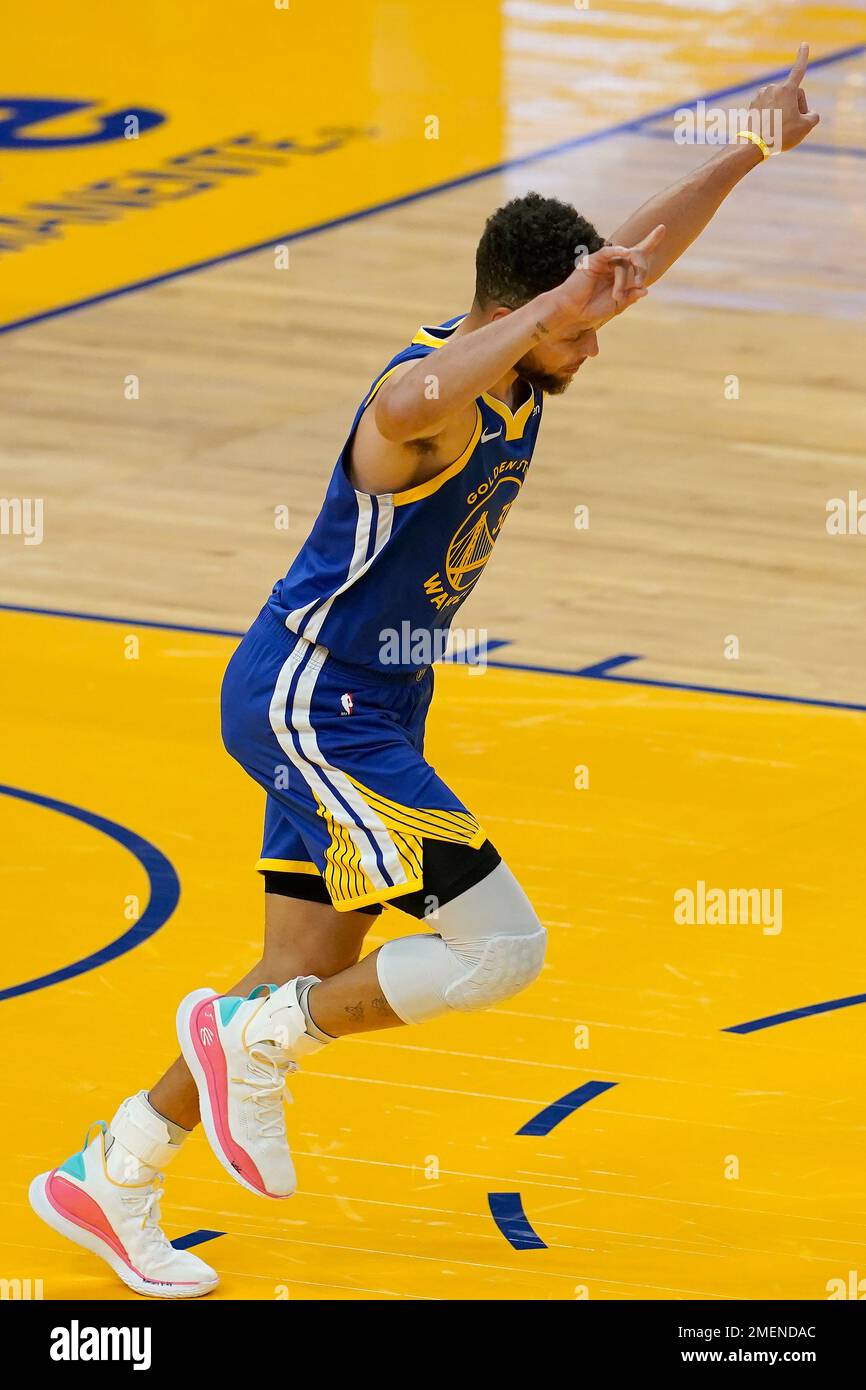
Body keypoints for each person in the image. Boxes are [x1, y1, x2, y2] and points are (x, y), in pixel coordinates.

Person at [29, 47, 819, 1297]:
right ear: (526, 313)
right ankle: (252, 1041)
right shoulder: (433, 400)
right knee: (499, 950)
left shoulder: (539, 342)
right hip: (311, 703)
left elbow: (632, 256)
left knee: (302, 960)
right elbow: (406, 400)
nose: (599, 347)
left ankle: (114, 1170)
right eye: (581, 327)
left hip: (374, 701)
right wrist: (543, 323)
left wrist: (745, 150)